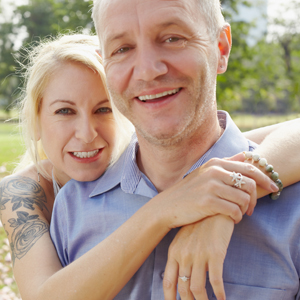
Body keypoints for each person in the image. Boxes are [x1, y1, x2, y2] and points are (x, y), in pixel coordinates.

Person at [0, 33, 291, 300]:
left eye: (104, 109)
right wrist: (164, 209)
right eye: (65, 111)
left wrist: (220, 210)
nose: (86, 134)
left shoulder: (159, 160)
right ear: (37, 120)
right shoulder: (23, 192)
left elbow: (265, 140)